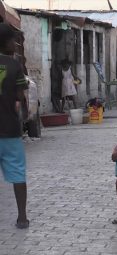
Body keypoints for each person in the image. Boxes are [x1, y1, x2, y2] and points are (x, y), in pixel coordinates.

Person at [0, 23, 30, 229]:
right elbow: (21, 95)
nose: (15, 43)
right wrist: (25, 113)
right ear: (5, 42)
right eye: (13, 40)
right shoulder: (14, 65)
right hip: (9, 130)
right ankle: (22, 217)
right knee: (18, 173)